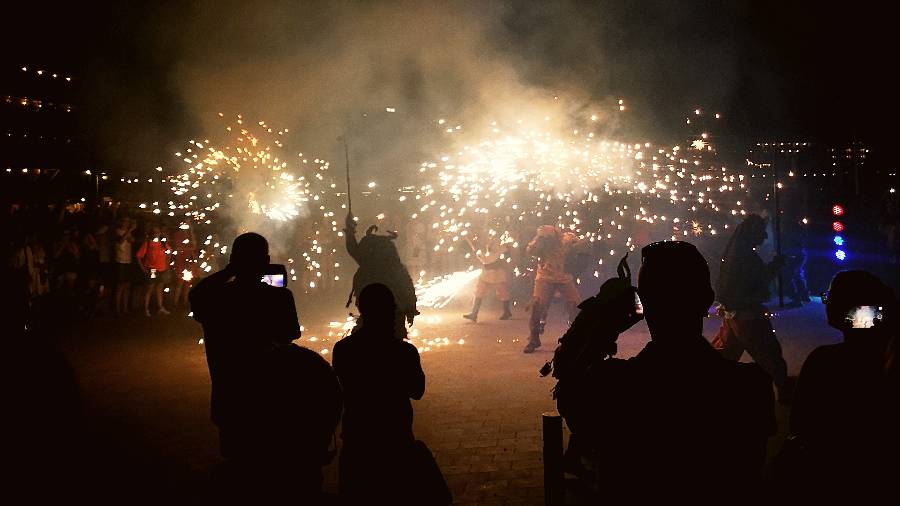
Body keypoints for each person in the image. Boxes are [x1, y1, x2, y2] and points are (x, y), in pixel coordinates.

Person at [579, 242, 776, 501]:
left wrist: (603, 324)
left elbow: (572, 387)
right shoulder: (750, 386)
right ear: (707, 298)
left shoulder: (613, 384)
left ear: (643, 303)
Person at [780, 270, 899, 497]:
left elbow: (799, 425)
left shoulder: (825, 362)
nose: (825, 302)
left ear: (841, 307)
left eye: (829, 297)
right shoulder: (884, 352)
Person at [332, 283, 449, 505]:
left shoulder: (343, 349)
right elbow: (417, 391)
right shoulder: (404, 352)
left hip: (358, 441)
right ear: (390, 312)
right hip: (395, 441)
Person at [189, 232, 302, 459]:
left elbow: (196, 294)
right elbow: (291, 334)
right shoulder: (280, 297)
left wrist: (231, 271)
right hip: (270, 395)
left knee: (234, 459)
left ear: (233, 259)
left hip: (230, 395)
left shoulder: (217, 298)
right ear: (266, 261)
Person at [712, 214, 790, 401]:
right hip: (747, 314)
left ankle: (706, 385)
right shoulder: (744, 255)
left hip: (736, 312)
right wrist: (775, 266)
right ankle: (786, 393)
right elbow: (757, 279)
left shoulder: (738, 250)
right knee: (771, 356)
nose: (763, 236)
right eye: (760, 232)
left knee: (724, 355)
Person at [344, 212, 418, 338]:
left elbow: (354, 250)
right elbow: (408, 289)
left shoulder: (367, 264)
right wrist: (410, 309)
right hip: (393, 318)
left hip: (373, 317)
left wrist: (350, 230)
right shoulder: (395, 267)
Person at [523, 225, 581, 353]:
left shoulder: (568, 239)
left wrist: (577, 253)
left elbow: (582, 248)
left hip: (564, 277)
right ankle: (534, 338)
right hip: (545, 276)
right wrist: (538, 241)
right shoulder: (540, 240)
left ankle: (576, 337)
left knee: (576, 306)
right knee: (537, 305)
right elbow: (530, 251)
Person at [462, 233, 512, 322]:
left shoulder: (501, 249)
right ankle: (474, 313)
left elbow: (502, 259)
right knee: (479, 291)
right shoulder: (487, 248)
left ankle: (507, 312)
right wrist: (470, 241)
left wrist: (496, 264)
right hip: (486, 272)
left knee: (502, 292)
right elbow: (482, 255)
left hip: (497, 273)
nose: (489, 245)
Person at [135, 226, 171, 316]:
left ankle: (160, 308)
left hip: (162, 269)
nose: (156, 234)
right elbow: (138, 256)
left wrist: (167, 263)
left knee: (159, 288)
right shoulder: (147, 243)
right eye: (154, 232)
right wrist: (143, 268)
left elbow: (169, 252)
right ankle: (145, 309)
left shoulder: (163, 243)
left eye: (157, 232)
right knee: (150, 288)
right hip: (153, 269)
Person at [113, 218, 136, 315]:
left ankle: (125, 308)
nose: (126, 223)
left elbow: (132, 241)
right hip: (120, 260)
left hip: (128, 260)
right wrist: (129, 230)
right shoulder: (117, 231)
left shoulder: (128, 232)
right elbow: (121, 241)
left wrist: (129, 232)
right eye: (124, 221)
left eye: (127, 221)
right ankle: (117, 309)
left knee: (127, 286)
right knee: (120, 286)